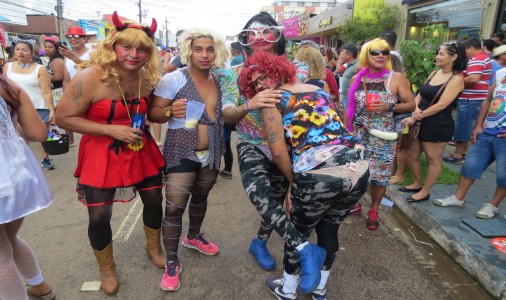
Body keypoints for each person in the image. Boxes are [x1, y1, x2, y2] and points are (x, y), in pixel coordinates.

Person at [239, 50, 369, 300]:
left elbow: (278, 153)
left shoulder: (271, 100)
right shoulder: (317, 89)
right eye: (255, 83)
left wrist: (293, 182)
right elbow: (334, 126)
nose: (261, 86)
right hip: (359, 168)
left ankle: (287, 290)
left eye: (264, 77)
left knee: (299, 231)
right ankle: (320, 289)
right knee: (330, 230)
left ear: (278, 69)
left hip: (318, 174)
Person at [55, 12, 166, 295]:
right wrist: (112, 131)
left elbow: (151, 112)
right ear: (113, 46)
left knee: (154, 199)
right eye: (126, 46)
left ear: (149, 52)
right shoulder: (90, 77)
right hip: (101, 151)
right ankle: (107, 269)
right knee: (99, 217)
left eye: (142, 48)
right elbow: (63, 118)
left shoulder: (149, 77)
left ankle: (154, 247)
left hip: (141, 147)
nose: (134, 54)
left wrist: (166, 112)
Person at [220, 12, 326, 293]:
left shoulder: (299, 69)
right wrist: (249, 104)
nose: (260, 40)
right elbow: (227, 115)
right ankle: (304, 248)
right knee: (259, 194)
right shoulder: (233, 72)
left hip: (288, 145)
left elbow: (313, 106)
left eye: (268, 33)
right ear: (244, 39)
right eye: (251, 35)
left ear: (278, 37)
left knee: (279, 202)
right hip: (251, 143)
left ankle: (259, 241)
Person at [149, 28, 229, 292]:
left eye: (209, 49)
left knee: (201, 197)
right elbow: (155, 114)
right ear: (189, 52)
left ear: (217, 51)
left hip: (212, 151)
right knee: (174, 208)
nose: (204, 55)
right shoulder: (173, 79)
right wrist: (170, 109)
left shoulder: (221, 80)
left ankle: (193, 236)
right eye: (198, 49)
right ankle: (171, 261)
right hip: (181, 150)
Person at [346, 38, 415, 230]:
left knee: (380, 177)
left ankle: (374, 210)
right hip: (359, 134)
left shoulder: (396, 78)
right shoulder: (357, 78)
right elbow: (350, 108)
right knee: (356, 172)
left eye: (384, 52)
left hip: (383, 136)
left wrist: (389, 106)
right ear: (366, 55)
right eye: (375, 52)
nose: (380, 56)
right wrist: (346, 132)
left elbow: (411, 104)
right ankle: (355, 203)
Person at [433, 49, 506, 219]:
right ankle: (458, 198)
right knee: (470, 166)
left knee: (503, 176)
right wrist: (479, 125)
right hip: (487, 131)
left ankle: (493, 205)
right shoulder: (501, 73)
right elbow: (489, 99)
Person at [0, 74, 55, 300]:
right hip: (18, 174)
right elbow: (38, 133)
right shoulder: (7, 85)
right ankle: (39, 285)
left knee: (1, 253)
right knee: (9, 239)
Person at [399, 42, 467, 202]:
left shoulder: (457, 79)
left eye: (441, 54)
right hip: (419, 120)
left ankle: (425, 191)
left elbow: (442, 105)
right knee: (411, 154)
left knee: (432, 159)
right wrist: (414, 108)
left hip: (437, 124)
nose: (437, 56)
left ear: (454, 57)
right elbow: (420, 94)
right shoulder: (434, 73)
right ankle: (417, 183)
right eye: (438, 53)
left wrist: (415, 116)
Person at [3, 38, 56, 171]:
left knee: (42, 135)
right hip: (15, 108)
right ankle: (24, 161)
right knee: (19, 136)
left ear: (32, 53)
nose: (20, 52)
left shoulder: (40, 69)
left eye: (25, 50)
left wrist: (51, 110)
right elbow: (4, 88)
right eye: (18, 49)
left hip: (38, 107)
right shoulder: (7, 67)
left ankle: (45, 159)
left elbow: (46, 91)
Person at [443, 38, 492, 164]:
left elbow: (473, 78)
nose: (465, 54)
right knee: (470, 127)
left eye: (465, 50)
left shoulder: (477, 59)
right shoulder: (483, 57)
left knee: (463, 126)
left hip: (471, 98)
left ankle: (458, 154)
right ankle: (466, 154)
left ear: (470, 48)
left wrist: (456, 83)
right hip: (476, 98)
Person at [60, 26, 92, 146]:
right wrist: (66, 95)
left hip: (91, 94)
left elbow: (95, 70)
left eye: (77, 36)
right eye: (70, 37)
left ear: (85, 39)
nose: (73, 39)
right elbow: (66, 79)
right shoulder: (66, 57)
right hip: (75, 94)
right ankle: (70, 138)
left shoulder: (93, 53)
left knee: (90, 126)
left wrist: (74, 58)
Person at [41, 35, 65, 108]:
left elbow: (58, 77)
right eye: (46, 47)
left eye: (50, 47)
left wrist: (41, 77)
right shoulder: (48, 59)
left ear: (56, 49)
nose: (47, 49)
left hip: (57, 93)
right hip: (50, 92)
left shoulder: (57, 60)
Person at [338, 44, 358, 110]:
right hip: (345, 97)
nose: (341, 56)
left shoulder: (357, 65)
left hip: (350, 98)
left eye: (343, 54)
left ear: (349, 55)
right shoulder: (348, 65)